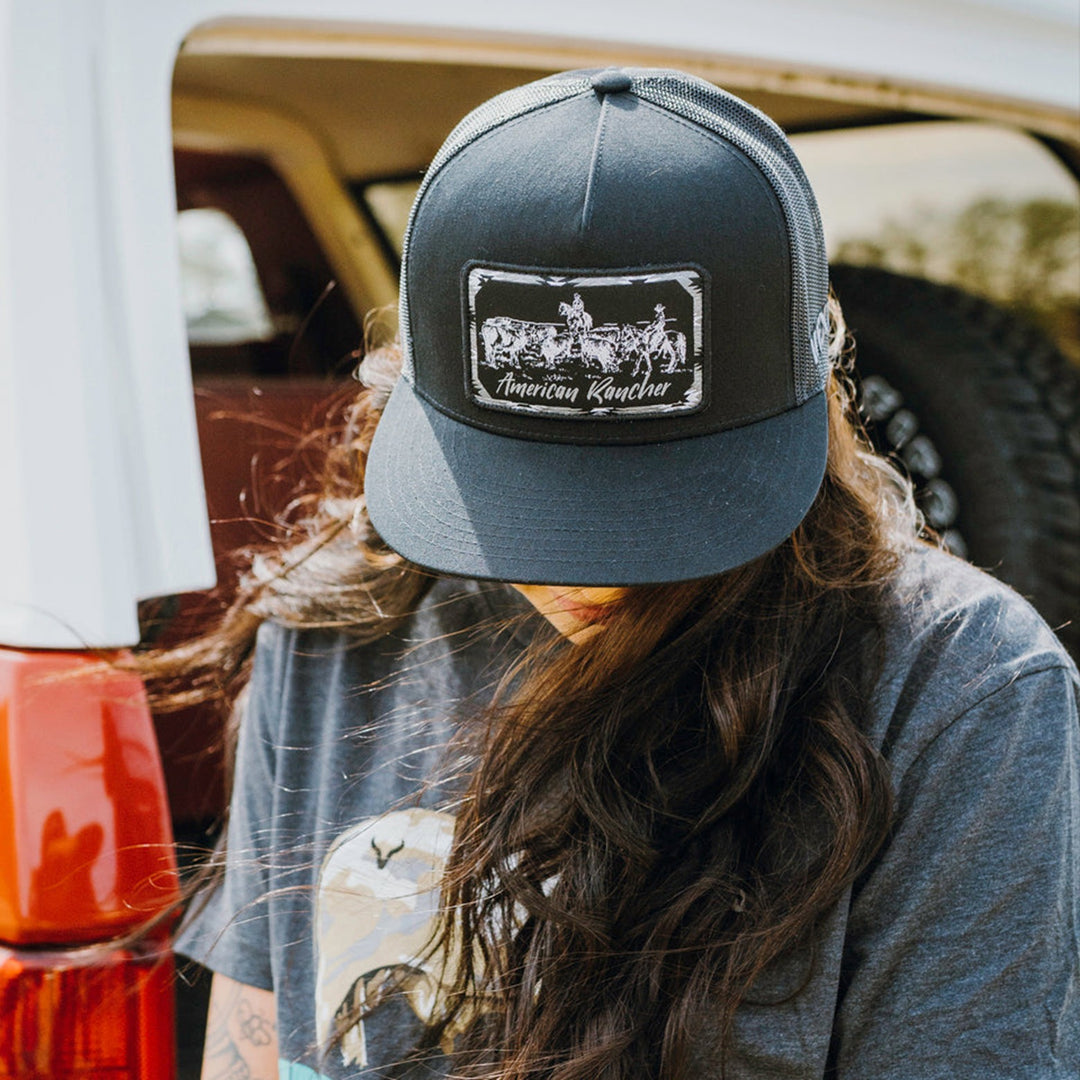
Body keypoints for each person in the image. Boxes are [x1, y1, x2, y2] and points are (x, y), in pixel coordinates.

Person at [173, 68, 1079, 1079]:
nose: (587, 566)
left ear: (805, 407)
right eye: (531, 498)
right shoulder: (332, 633)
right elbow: (251, 1052)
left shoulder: (960, 691)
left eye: (656, 507)